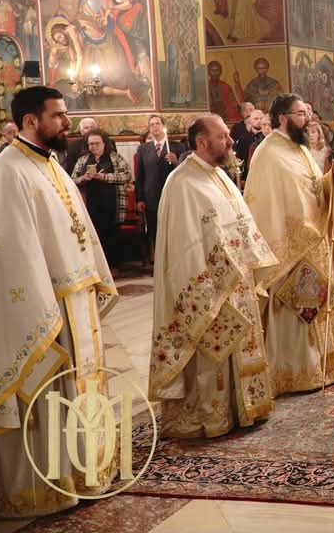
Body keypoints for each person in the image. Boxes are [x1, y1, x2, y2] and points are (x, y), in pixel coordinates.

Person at [0, 86, 117, 518]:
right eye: (58, 115)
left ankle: (79, 475)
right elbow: (11, 252)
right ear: (31, 121)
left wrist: (94, 279)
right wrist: (43, 310)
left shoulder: (50, 164)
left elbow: (79, 230)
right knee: (46, 397)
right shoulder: (8, 171)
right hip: (42, 308)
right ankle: (39, 491)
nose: (67, 122)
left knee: (75, 395)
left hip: (74, 302)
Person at [149, 115, 279, 438]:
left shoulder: (218, 175)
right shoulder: (182, 183)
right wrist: (211, 286)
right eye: (223, 137)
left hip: (237, 282)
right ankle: (210, 416)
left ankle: (242, 409)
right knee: (212, 355)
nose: (231, 142)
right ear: (202, 142)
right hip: (209, 287)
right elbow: (183, 248)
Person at [245, 94, 334, 395]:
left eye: (307, 113)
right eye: (301, 114)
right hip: (288, 246)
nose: (307, 119)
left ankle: (320, 366)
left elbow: (313, 189)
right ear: (282, 117)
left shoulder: (298, 148)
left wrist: (331, 179)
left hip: (312, 240)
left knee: (313, 303)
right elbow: (266, 205)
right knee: (295, 306)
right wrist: (298, 234)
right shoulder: (268, 153)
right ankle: (292, 372)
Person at [71, 129, 132, 268]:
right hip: (90, 204)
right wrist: (84, 178)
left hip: (112, 204)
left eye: (97, 143)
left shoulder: (115, 157)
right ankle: (97, 267)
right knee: (94, 236)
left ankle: (113, 266)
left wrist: (105, 177)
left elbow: (127, 176)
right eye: (91, 144)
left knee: (112, 236)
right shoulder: (83, 159)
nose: (93, 147)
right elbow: (72, 180)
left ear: (104, 143)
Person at [135, 115, 187, 261]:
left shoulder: (178, 147)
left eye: (157, 123)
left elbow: (185, 171)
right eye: (151, 124)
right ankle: (159, 260)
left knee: (173, 228)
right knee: (155, 230)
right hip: (151, 196)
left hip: (172, 195)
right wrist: (139, 198)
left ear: (164, 126)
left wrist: (176, 161)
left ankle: (175, 259)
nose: (154, 126)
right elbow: (140, 175)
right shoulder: (143, 149)